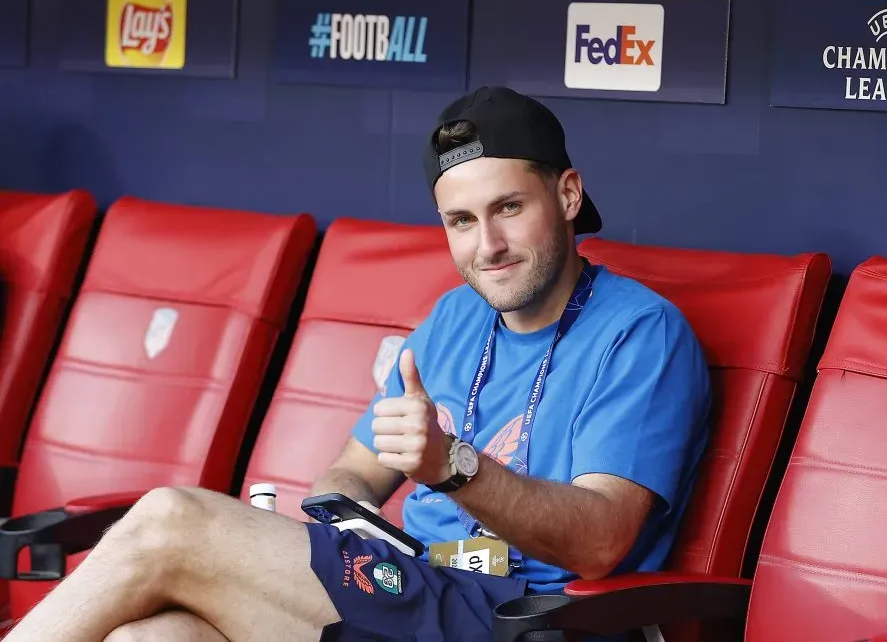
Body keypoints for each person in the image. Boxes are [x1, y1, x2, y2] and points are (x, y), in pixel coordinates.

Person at [4, 86, 711, 642]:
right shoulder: (454, 319)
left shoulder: (641, 333)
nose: (487, 243)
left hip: (525, 618)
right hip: (412, 587)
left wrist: (452, 468)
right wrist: (348, 516)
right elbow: (347, 473)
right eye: (461, 221)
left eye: (508, 208)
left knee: (168, 518)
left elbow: (599, 540)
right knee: (150, 636)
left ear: (566, 194)